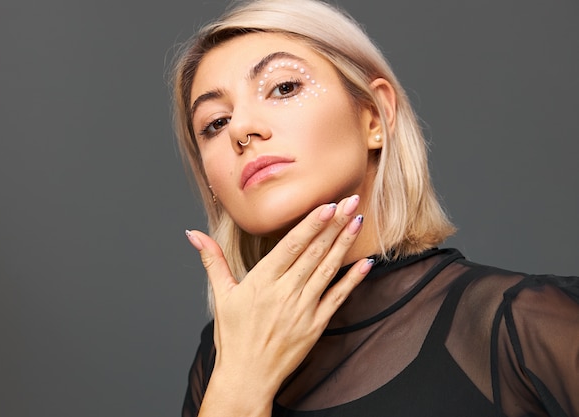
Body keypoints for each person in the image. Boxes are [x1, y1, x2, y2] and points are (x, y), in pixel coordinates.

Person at [170, 0, 579, 415]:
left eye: (284, 88)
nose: (240, 129)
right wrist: (239, 384)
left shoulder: (526, 323)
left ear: (374, 116)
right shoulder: (222, 358)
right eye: (215, 123)